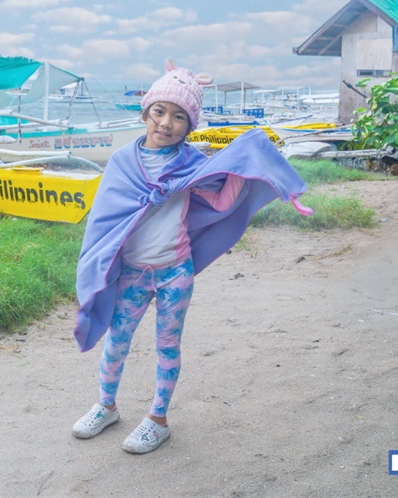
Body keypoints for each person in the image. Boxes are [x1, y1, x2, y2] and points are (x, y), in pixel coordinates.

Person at [72, 60, 312, 454]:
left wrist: (242, 164)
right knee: (116, 340)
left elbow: (219, 201)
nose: (167, 123)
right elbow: (105, 222)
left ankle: (157, 419)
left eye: (179, 117)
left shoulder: (191, 165)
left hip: (174, 273)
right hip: (132, 272)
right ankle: (106, 406)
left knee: (168, 345)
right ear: (145, 112)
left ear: (191, 125)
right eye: (160, 111)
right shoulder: (121, 162)